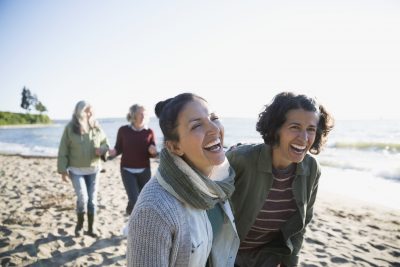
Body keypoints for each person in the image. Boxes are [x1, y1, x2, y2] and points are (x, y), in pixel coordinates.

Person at [126, 93, 239, 267]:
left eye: (214, 117)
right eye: (196, 126)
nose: (214, 128)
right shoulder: (154, 210)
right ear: (175, 147)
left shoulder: (221, 179)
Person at [227, 92, 334, 267]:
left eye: (311, 129)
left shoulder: (312, 168)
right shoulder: (240, 159)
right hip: (224, 254)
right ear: (276, 128)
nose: (304, 138)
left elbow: (300, 227)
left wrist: (289, 263)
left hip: (267, 257)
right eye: (294, 127)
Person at [57, 100, 110, 238]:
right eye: (87, 110)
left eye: (91, 110)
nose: (89, 113)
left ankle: (91, 228)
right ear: (79, 111)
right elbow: (63, 149)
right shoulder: (70, 128)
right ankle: (79, 226)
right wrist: (63, 170)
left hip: (94, 169)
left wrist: (102, 150)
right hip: (76, 170)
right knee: (83, 198)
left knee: (92, 200)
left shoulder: (96, 126)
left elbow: (106, 144)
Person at [109, 104, 158, 215]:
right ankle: (133, 220)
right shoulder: (123, 130)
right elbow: (118, 148)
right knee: (134, 199)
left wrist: (153, 152)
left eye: (145, 113)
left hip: (144, 170)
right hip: (127, 170)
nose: (143, 116)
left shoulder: (149, 131)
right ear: (133, 115)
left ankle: (130, 212)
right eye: (141, 113)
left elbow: (153, 153)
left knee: (143, 199)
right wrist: (113, 152)